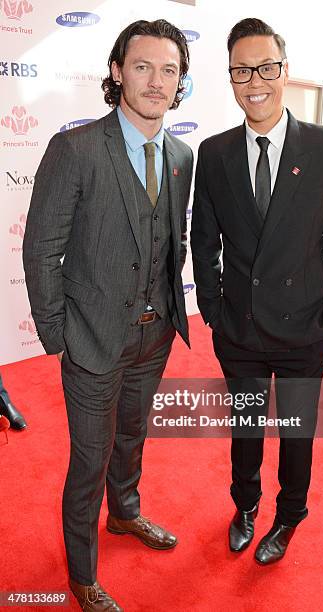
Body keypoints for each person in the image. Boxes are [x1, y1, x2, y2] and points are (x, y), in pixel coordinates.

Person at [23, 19, 193, 610]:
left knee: (132, 438)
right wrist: (57, 335)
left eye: (169, 70)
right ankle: (82, 573)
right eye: (143, 66)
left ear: (180, 83)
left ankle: (125, 515)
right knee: (88, 460)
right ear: (118, 72)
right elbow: (42, 247)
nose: (155, 80)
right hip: (92, 340)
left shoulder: (180, 153)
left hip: (155, 336)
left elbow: (171, 240)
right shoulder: (75, 149)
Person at [191, 18, 323, 566]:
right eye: (241, 70)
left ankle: (289, 516)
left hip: (305, 326)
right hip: (239, 328)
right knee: (245, 430)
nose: (253, 80)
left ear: (285, 72)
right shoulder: (213, 154)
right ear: (231, 78)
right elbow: (204, 238)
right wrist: (213, 308)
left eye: (265, 67)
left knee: (296, 433)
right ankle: (244, 506)